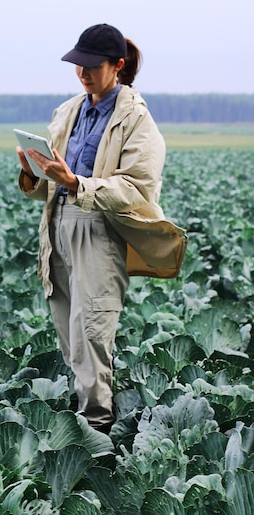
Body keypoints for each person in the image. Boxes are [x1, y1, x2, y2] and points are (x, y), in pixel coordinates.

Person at [16, 23, 187, 434]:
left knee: (92, 327)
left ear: (118, 66)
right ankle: (85, 414)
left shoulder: (137, 120)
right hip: (57, 224)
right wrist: (34, 176)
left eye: (93, 65)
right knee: (66, 323)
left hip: (99, 227)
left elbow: (135, 189)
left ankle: (97, 426)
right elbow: (51, 186)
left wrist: (76, 183)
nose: (83, 72)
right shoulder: (68, 111)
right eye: (78, 64)